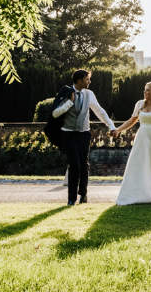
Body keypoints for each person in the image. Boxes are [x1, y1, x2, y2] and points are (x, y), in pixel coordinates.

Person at [52, 69, 116, 205]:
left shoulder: (89, 94)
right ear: (80, 80)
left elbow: (100, 111)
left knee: (84, 165)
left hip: (84, 134)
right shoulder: (66, 92)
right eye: (88, 79)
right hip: (68, 133)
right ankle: (71, 198)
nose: (90, 81)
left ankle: (84, 194)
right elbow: (55, 114)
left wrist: (111, 126)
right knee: (74, 165)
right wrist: (69, 102)